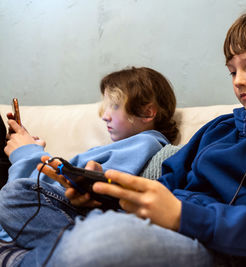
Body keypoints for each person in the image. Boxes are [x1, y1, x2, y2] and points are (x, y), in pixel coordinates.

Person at [0, 8, 246, 266]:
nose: (238, 81)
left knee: (98, 240)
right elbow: (165, 186)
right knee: (16, 198)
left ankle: (28, 258)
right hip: (158, 226)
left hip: (212, 244)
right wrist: (109, 196)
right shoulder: (220, 127)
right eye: (232, 70)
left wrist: (182, 215)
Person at [0, 66, 178, 241]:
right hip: (40, 202)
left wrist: (26, 153)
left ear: (147, 113)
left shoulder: (146, 143)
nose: (105, 116)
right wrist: (32, 151)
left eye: (114, 106)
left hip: (57, 213)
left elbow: (86, 194)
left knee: (12, 193)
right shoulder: (126, 146)